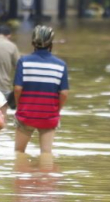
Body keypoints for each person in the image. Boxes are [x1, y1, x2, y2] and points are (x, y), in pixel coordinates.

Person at [13, 25, 69, 155]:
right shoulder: (60, 65)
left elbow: (17, 88)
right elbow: (64, 93)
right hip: (49, 116)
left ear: (33, 42)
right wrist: (57, 110)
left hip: (26, 114)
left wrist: (19, 106)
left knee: (19, 152)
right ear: (51, 43)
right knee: (46, 153)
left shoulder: (24, 62)